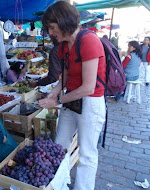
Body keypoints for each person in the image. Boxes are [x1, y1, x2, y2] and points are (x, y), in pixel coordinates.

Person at [39, 1, 106, 190]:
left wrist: (58, 100)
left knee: (86, 155)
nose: (50, 33)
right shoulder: (64, 46)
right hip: (71, 101)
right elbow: (65, 78)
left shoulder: (89, 41)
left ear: (64, 21)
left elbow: (88, 88)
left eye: (52, 27)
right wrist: (53, 93)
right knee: (59, 146)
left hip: (90, 102)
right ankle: (60, 184)